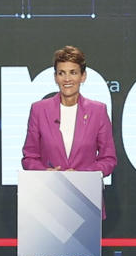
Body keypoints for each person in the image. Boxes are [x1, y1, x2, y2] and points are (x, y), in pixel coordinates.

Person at [21, 45, 117, 174]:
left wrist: (82, 175)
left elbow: (108, 159)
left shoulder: (98, 111)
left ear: (83, 76)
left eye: (73, 72)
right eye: (61, 73)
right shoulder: (39, 110)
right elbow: (29, 158)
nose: (67, 79)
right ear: (55, 77)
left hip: (85, 186)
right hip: (49, 185)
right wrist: (46, 172)